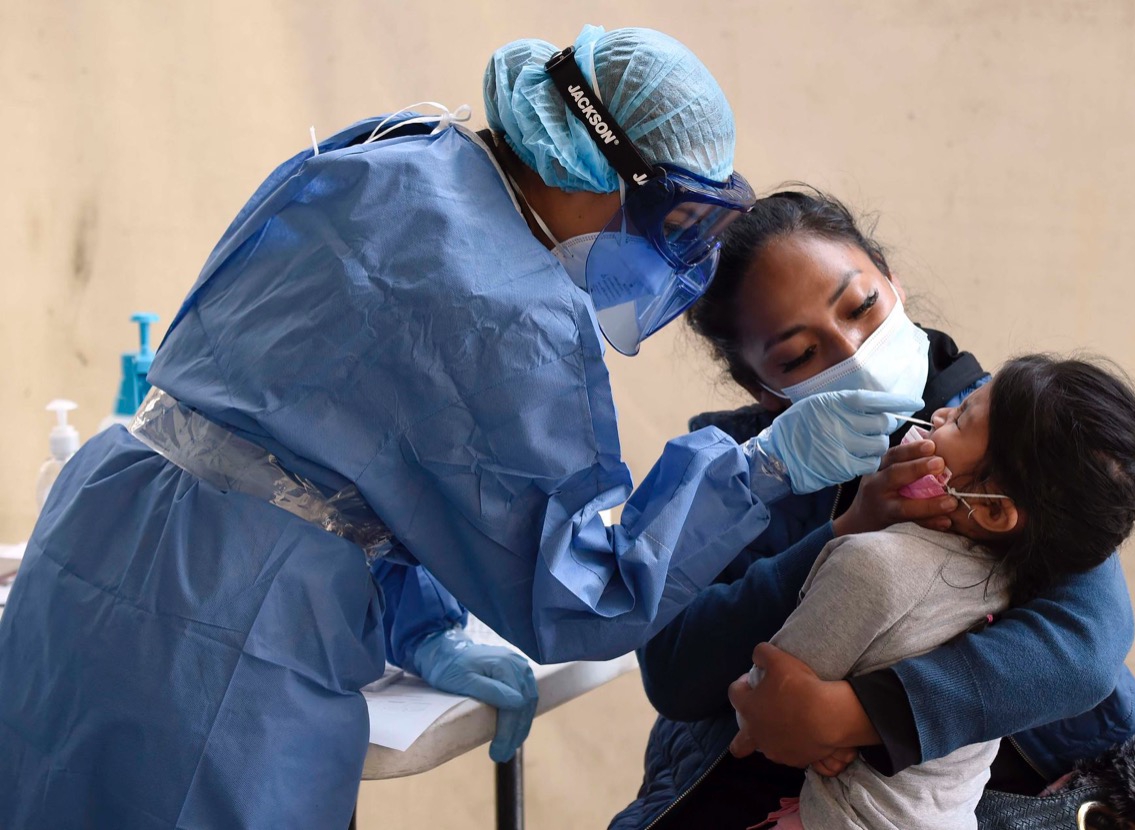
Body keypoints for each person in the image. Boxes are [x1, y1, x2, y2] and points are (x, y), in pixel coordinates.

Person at [0, 29, 923, 830]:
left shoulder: (389, 154)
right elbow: (581, 598)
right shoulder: (509, 310)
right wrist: (761, 469)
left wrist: (419, 620)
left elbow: (322, 448)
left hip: (95, 540)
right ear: (601, 170)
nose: (673, 250)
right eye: (675, 216)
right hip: (220, 639)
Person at [610, 190, 1135, 830]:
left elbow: (1088, 641)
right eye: (800, 355)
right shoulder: (727, 472)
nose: (852, 351)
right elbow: (673, 670)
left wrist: (851, 716)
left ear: (893, 282)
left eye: (862, 307)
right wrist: (843, 532)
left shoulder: (1018, 431)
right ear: (762, 388)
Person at [741, 354, 1135, 830]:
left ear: (995, 511)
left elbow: (765, 705)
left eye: (960, 420)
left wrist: (801, 718)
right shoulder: (1018, 581)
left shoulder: (870, 566)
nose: (937, 415)